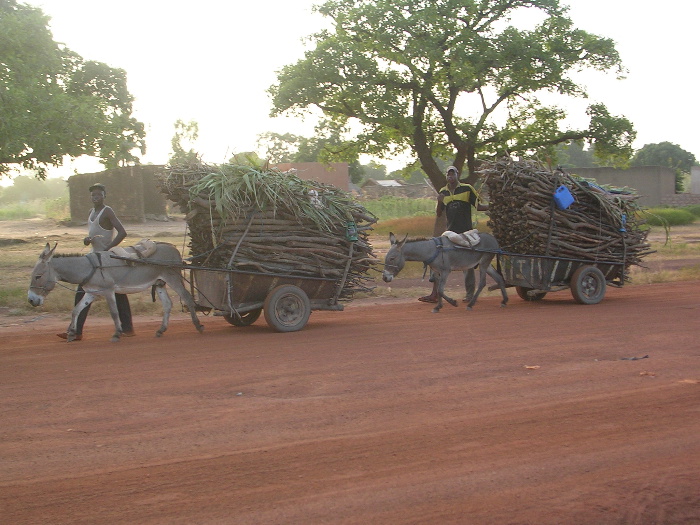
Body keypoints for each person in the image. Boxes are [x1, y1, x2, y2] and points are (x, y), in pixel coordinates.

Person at [57, 183, 134, 340]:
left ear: (104, 196)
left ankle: (77, 331)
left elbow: (122, 232)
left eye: (99, 195)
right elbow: (93, 234)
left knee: (107, 291)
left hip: (105, 260)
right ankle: (126, 328)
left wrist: (108, 248)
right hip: (93, 258)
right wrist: (87, 241)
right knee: (106, 292)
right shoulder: (91, 212)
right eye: (93, 195)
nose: (95, 197)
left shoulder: (107, 211)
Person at [418, 165, 489, 303]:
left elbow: (479, 206)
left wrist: (494, 206)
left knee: (467, 265)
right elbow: (439, 213)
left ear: (458, 174)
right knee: (437, 259)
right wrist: (439, 202)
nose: (450, 177)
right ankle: (435, 294)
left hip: (466, 232)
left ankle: (469, 294)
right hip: (450, 233)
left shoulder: (467, 189)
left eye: (452, 174)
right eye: (448, 174)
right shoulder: (443, 192)